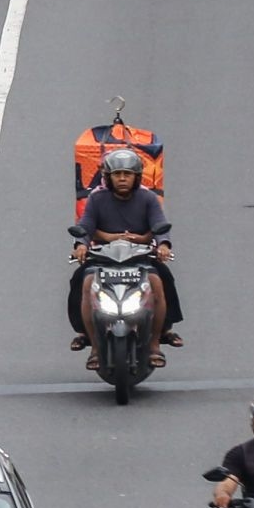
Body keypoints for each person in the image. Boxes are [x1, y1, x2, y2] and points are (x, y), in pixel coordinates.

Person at [69, 148, 181, 362]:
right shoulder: (97, 198)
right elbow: (85, 225)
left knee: (161, 280)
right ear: (108, 177)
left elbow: (159, 225)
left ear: (136, 177)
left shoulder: (148, 198)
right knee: (82, 282)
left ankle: (157, 340)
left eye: (127, 174)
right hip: (103, 257)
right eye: (117, 174)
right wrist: (81, 245)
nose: (122, 179)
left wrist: (163, 245)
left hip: (140, 256)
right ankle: (90, 341)